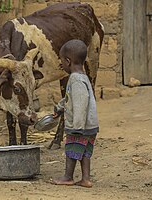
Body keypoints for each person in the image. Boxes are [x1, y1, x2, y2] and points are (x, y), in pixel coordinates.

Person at [51, 39, 99, 188]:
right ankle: (86, 179)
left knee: (71, 149)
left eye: (62, 62)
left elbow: (80, 103)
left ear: (68, 61)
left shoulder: (75, 80)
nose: (61, 65)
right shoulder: (83, 78)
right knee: (84, 152)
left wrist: (77, 126)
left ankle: (67, 177)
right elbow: (70, 99)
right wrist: (60, 108)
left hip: (80, 126)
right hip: (90, 126)